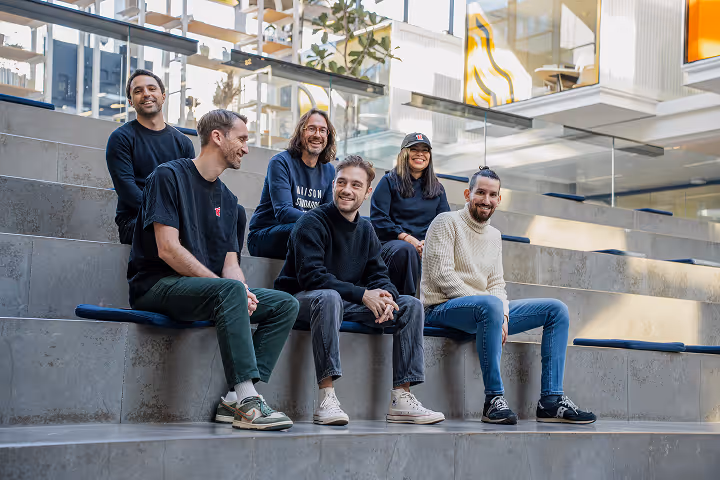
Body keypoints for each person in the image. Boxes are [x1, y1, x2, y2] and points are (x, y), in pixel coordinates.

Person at [127, 109, 299, 431]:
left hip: (205, 292)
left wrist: (242, 291)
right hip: (157, 285)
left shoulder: (231, 203)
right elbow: (167, 249)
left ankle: (234, 398)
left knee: (284, 304)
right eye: (242, 139)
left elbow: (230, 265)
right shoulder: (168, 176)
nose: (246, 148)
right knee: (230, 291)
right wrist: (229, 290)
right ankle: (249, 403)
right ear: (217, 137)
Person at [274, 155, 445, 426]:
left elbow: (379, 274)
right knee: (329, 297)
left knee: (410, 305)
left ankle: (401, 398)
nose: (347, 190)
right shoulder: (311, 222)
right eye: (341, 182)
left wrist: (387, 297)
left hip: (344, 302)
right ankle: (327, 398)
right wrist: (363, 295)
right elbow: (312, 278)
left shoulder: (366, 229)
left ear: (367, 192)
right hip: (302, 300)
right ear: (333, 185)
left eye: (356, 185)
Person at [421, 167, 596, 425]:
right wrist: (490, 306)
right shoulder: (446, 222)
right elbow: (442, 276)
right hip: (442, 308)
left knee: (556, 310)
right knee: (491, 305)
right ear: (468, 194)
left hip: (487, 310)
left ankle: (551, 401)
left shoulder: (494, 236)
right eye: (480, 193)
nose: (486, 200)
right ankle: (493, 399)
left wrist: (501, 313)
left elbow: (496, 284)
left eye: (493, 195)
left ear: (499, 199)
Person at [106, 69, 248, 252]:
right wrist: (173, 215)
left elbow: (192, 186)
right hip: (137, 220)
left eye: (152, 89)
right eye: (138, 91)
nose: (146, 94)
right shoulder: (121, 138)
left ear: (163, 96)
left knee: (236, 213)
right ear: (130, 101)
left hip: (179, 216)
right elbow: (127, 190)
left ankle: (228, 269)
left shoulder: (182, 142)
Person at [247, 108, 336, 259]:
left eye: (322, 130)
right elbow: (284, 212)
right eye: (311, 129)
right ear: (301, 132)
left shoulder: (329, 170)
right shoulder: (281, 162)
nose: (317, 135)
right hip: (265, 235)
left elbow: (328, 213)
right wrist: (322, 223)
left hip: (309, 232)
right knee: (309, 230)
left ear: (328, 136)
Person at [370, 133, 450, 296]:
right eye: (414, 149)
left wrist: (427, 243)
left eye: (425, 150)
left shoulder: (438, 188)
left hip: (425, 246)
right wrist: (408, 239)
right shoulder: (388, 181)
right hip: (394, 245)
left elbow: (445, 223)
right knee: (407, 250)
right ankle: (407, 303)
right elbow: (379, 219)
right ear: (403, 153)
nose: (420, 154)